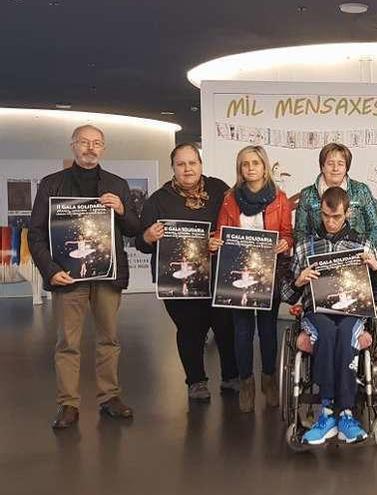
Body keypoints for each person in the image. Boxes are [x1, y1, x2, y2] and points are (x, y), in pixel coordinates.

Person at [28, 124, 138, 428]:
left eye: (97, 143)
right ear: (73, 146)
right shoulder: (52, 184)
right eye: (85, 142)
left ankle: (109, 397)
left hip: (107, 277)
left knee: (109, 339)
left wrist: (121, 209)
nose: (91, 148)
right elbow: (35, 234)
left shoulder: (117, 184)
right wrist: (51, 271)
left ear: (103, 148)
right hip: (67, 277)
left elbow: (134, 229)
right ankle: (68, 404)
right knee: (67, 343)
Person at [281, 187, 377, 444]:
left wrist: (376, 269)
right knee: (328, 333)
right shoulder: (306, 245)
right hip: (317, 312)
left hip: (352, 312)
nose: (330, 222)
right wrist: (298, 281)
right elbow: (287, 295)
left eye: (336, 217)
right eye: (326, 216)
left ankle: (347, 413)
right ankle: (327, 412)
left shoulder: (362, 244)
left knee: (346, 333)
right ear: (320, 211)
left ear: (347, 212)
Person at [136, 143, 239, 402]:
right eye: (181, 164)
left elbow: (235, 224)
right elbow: (140, 243)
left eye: (192, 163)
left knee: (226, 327)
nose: (187, 169)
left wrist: (220, 237)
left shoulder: (219, 190)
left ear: (200, 165)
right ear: (173, 168)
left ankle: (231, 376)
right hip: (178, 281)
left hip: (217, 275)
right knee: (190, 329)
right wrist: (148, 236)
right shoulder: (158, 200)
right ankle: (196, 381)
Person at [214, 145, 293, 413]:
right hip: (238, 273)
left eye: (255, 163)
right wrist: (216, 242)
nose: (250, 168)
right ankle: (246, 382)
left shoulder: (279, 198)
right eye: (245, 164)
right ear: (240, 169)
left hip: (269, 272)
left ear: (264, 167)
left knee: (268, 330)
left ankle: (268, 380)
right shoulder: (229, 199)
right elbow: (221, 233)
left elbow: (287, 234)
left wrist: (284, 243)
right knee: (243, 331)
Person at [294, 142, 377, 248]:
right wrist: (312, 254)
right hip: (319, 258)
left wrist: (363, 252)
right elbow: (300, 233)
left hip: (356, 258)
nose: (335, 168)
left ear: (346, 167)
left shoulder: (361, 191)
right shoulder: (307, 194)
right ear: (322, 167)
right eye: (330, 163)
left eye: (340, 164)